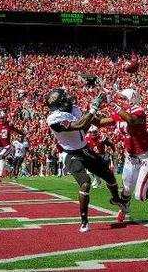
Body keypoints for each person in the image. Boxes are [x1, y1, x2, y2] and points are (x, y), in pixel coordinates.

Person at [45, 88, 126, 233]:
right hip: (71, 153)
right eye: (65, 98)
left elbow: (98, 122)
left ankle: (116, 199)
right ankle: (84, 221)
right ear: (60, 103)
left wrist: (120, 117)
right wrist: (93, 108)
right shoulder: (53, 119)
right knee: (85, 183)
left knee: (109, 175)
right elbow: (80, 125)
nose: (69, 98)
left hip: (85, 149)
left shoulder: (74, 109)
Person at [96, 88, 148, 224]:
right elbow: (100, 123)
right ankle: (124, 208)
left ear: (132, 99)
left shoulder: (139, 111)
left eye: (123, 98)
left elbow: (131, 120)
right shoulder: (121, 113)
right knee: (126, 189)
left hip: (145, 158)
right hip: (130, 157)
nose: (120, 101)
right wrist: (90, 112)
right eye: (120, 98)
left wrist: (112, 104)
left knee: (141, 196)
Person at [0, 110, 23, 181]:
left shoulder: (8, 125)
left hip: (7, 146)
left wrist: (22, 133)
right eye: (0, 118)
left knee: (2, 156)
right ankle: (10, 169)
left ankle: (0, 176)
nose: (1, 119)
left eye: (3, 118)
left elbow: (16, 130)